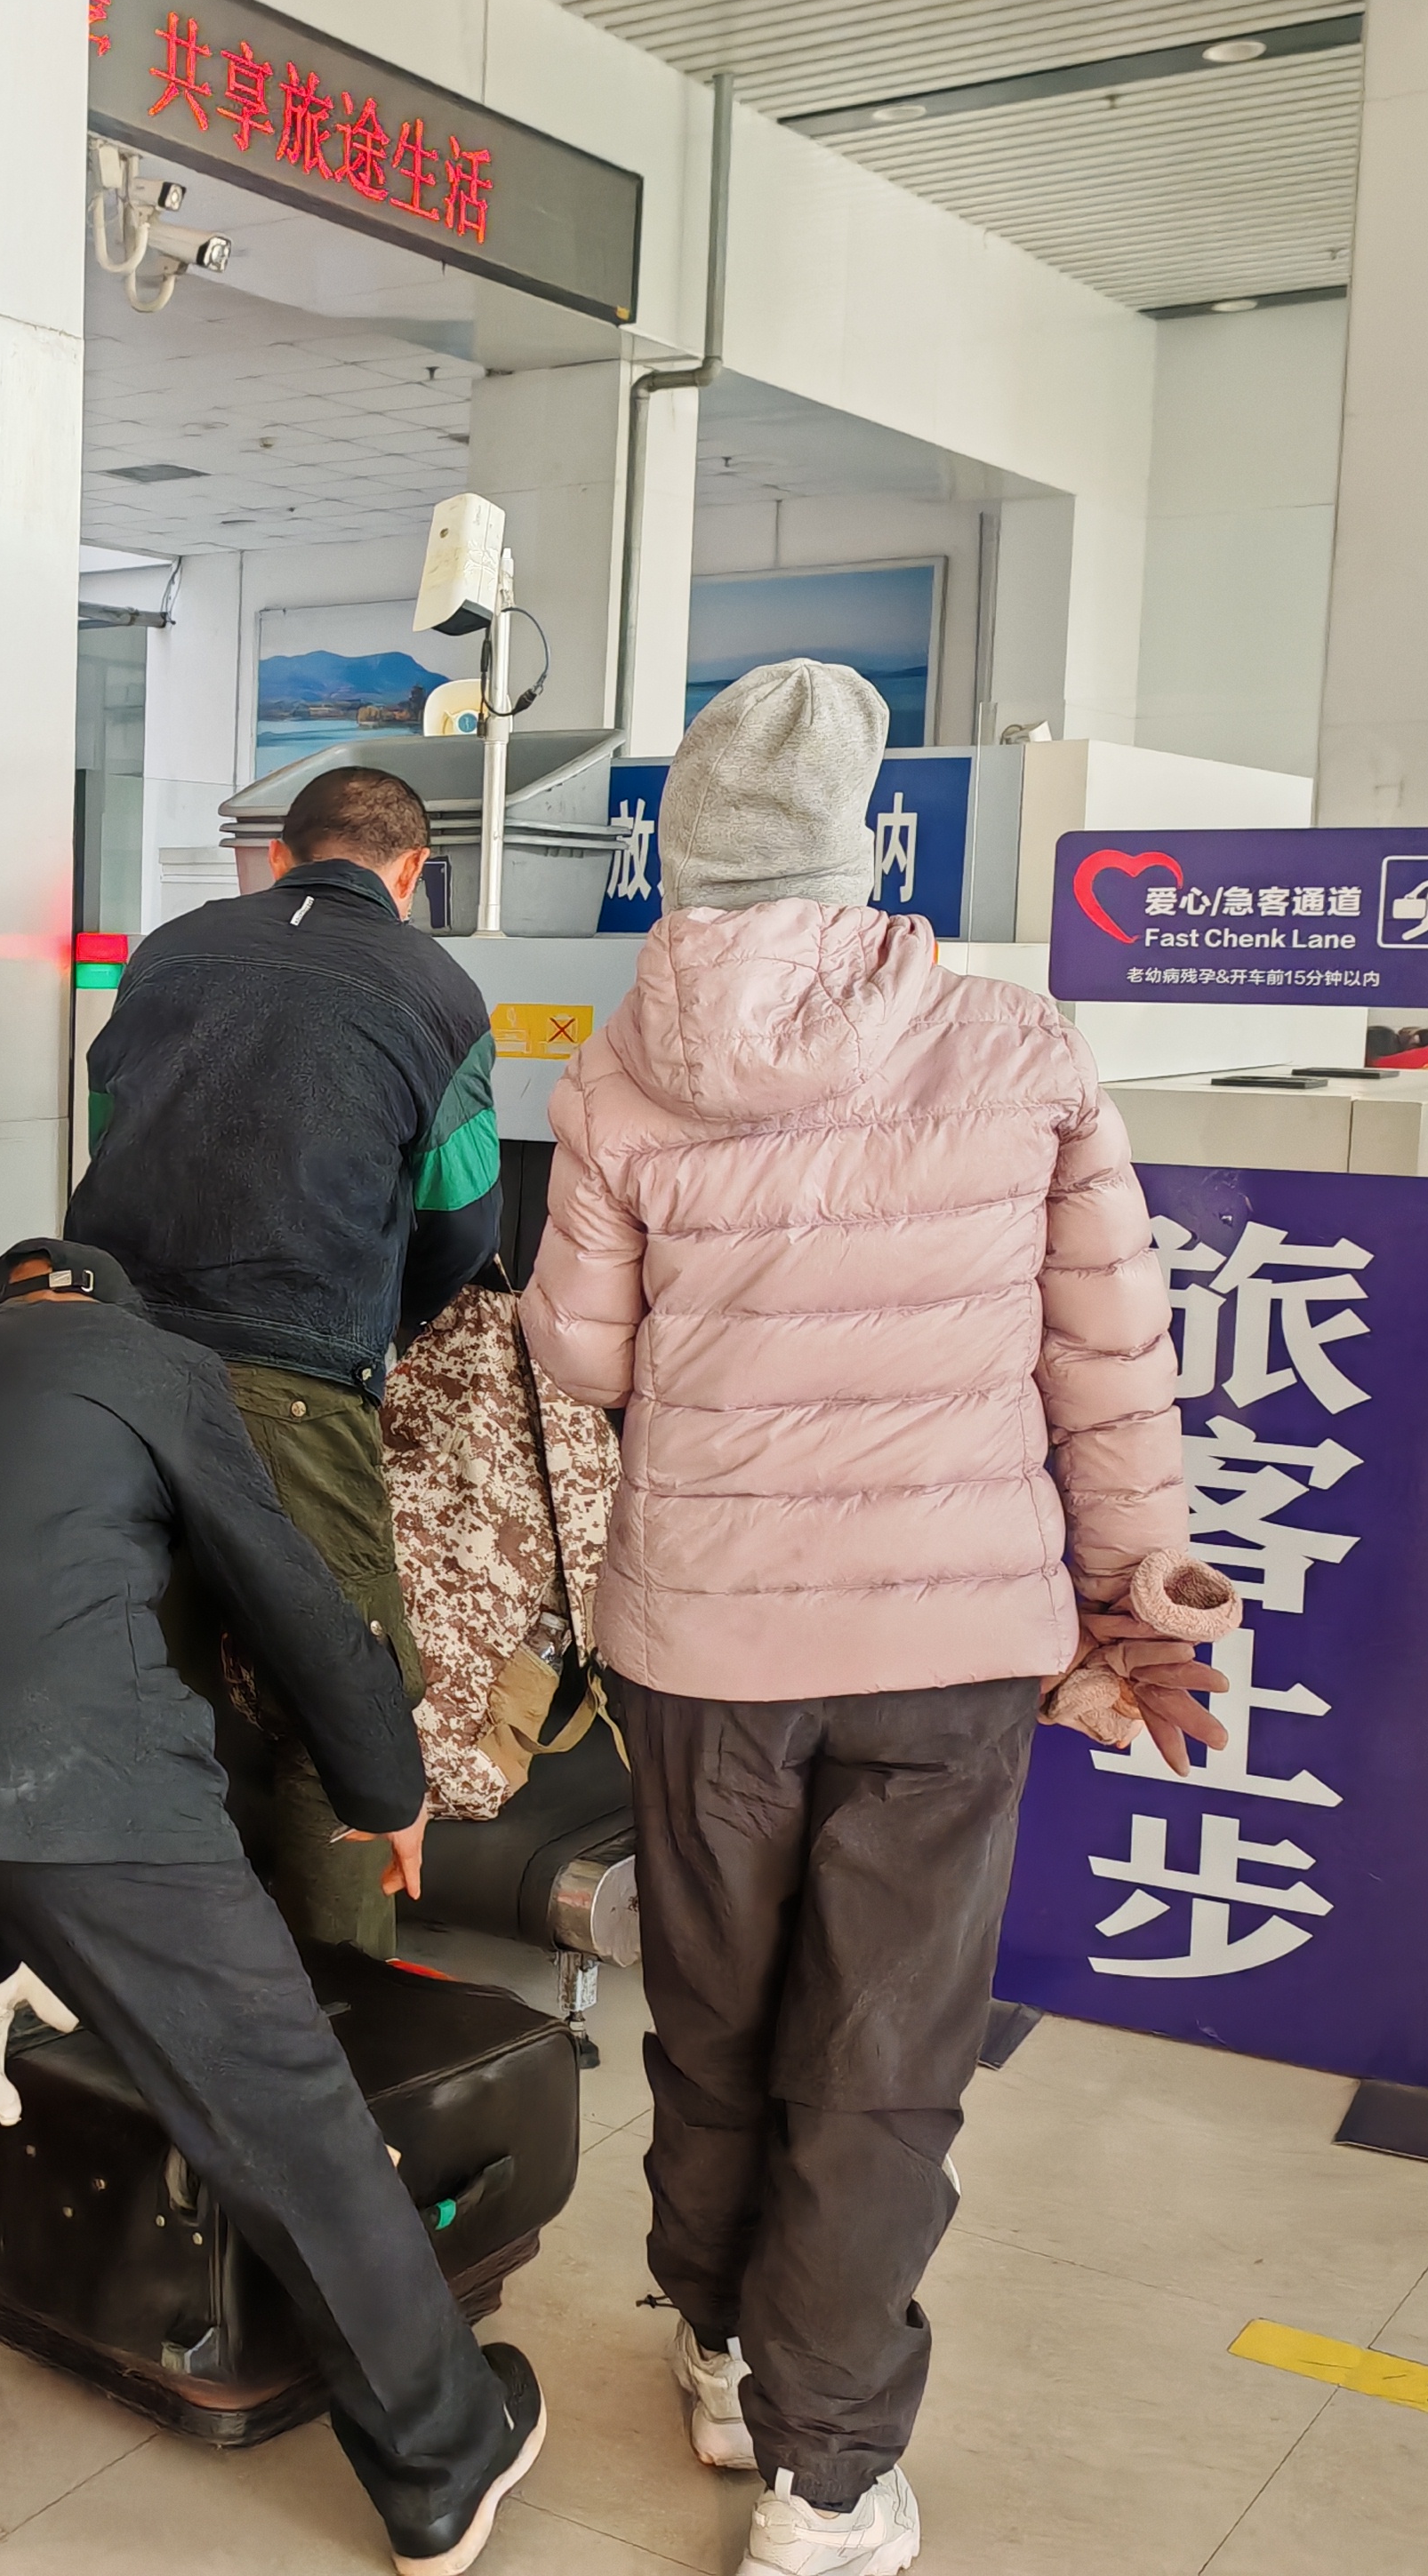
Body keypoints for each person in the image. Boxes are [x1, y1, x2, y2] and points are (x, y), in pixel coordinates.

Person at [523, 660, 1228, 2576]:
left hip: (705, 1640)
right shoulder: (1014, 1043)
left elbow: (579, 1357)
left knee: (711, 2017)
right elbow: (1107, 1360)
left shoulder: (618, 1069)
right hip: (946, 1646)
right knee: (881, 2053)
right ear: (857, 845)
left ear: (683, 858)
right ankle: (824, 2479)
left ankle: (719, 2343)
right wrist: (1138, 1592)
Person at [0, 1242, 544, 2576]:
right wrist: (385, 1779)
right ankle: (445, 2462)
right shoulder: (154, 1364)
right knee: (278, 2107)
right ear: (105, 1311)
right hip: (82, 1771)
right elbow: (288, 1589)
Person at [63, 764, 501, 1957]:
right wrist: (374, 1329)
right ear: (411, 875)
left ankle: (159, 1985)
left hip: (110, 1363)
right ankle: (339, 2015)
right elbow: (463, 1218)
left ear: (277, 858)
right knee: (343, 1691)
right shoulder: (440, 990)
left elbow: (110, 1132)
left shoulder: (167, 953)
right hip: (296, 1382)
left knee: (149, 1681)